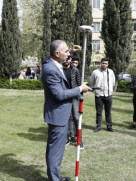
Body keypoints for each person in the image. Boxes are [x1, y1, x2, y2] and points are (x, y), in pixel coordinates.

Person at [41, 39, 91, 181]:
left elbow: (55, 54)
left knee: (56, 150)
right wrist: (80, 89)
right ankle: (55, 179)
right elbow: (59, 94)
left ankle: (55, 177)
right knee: (55, 150)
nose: (68, 54)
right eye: (66, 52)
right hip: (58, 116)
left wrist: (71, 51)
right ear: (57, 53)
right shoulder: (50, 69)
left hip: (60, 114)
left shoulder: (52, 62)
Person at [90, 57, 116, 132]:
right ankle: (98, 126)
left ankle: (109, 126)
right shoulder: (95, 72)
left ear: (108, 64)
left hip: (108, 94)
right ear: (100, 63)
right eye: (103, 63)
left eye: (106, 63)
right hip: (99, 95)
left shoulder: (111, 72)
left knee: (108, 112)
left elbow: (113, 82)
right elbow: (92, 82)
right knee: (99, 112)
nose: (104, 65)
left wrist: (110, 89)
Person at [62, 56, 83, 149]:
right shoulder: (59, 70)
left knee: (76, 118)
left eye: (68, 59)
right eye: (65, 59)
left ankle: (79, 139)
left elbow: (79, 85)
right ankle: (65, 138)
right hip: (64, 97)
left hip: (74, 97)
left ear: (70, 60)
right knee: (65, 118)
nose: (67, 61)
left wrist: (80, 96)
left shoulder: (75, 70)